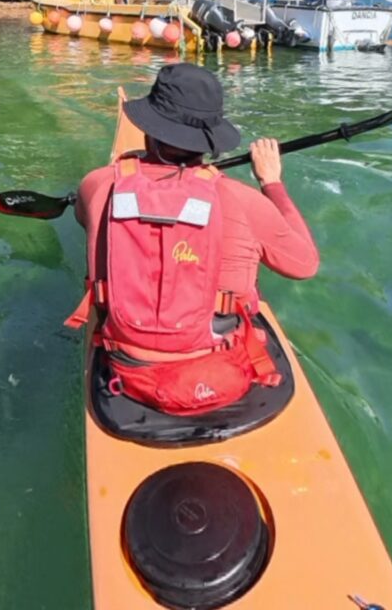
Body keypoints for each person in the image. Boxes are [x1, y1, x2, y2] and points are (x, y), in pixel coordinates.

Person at [66, 63, 318, 415]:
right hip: (219, 370)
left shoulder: (98, 185)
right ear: (209, 140)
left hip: (127, 368)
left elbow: (84, 219)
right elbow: (305, 264)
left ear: (147, 130)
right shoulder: (243, 200)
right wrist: (271, 183)